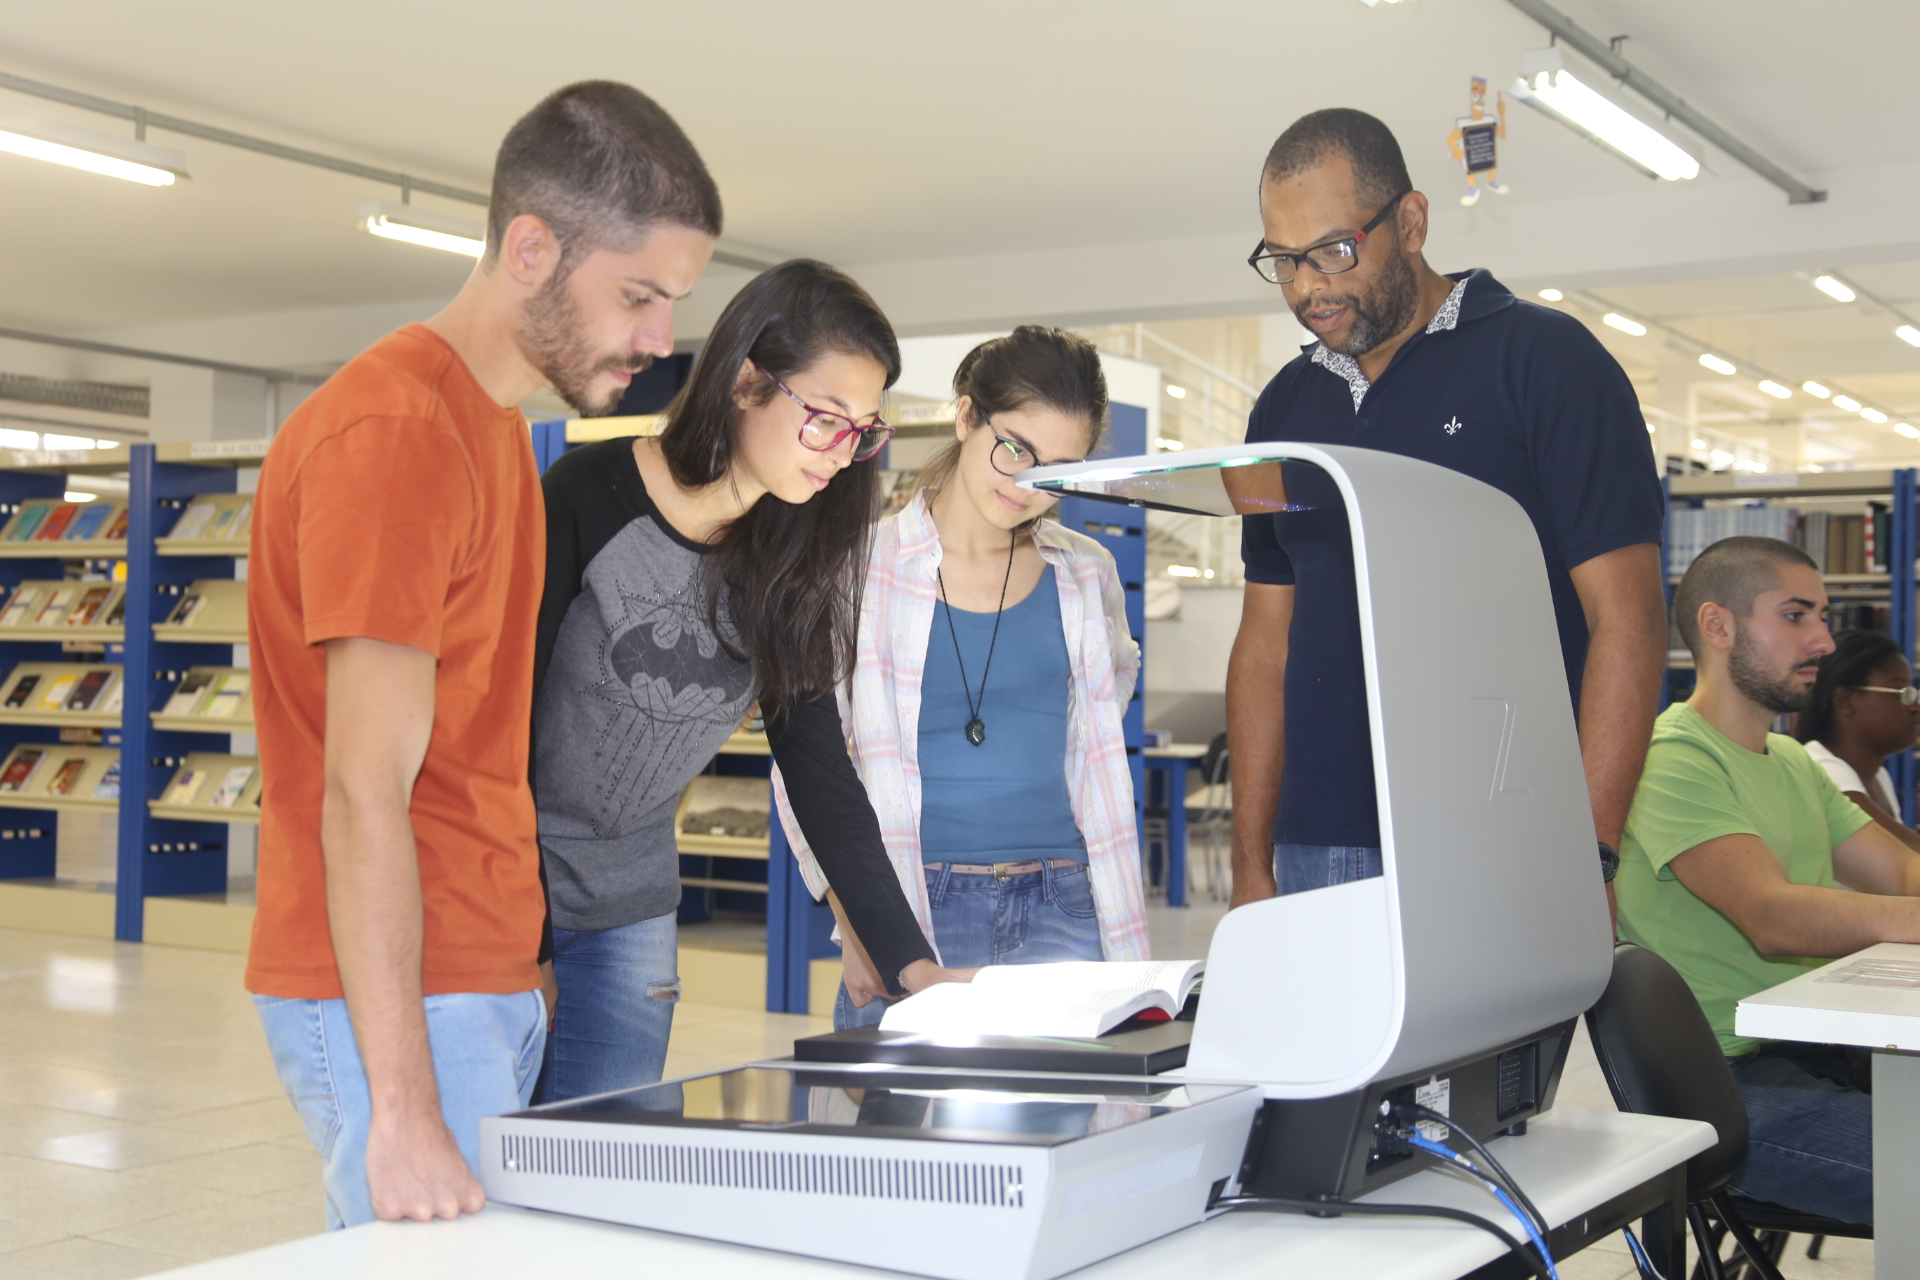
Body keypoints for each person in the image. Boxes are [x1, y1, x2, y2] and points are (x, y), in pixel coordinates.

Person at [244, 81, 721, 1229]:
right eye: (639, 296)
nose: (660, 341)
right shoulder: (395, 437)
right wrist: (405, 1108)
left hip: (474, 969)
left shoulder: (496, 435)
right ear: (530, 246)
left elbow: (476, 750)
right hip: (407, 990)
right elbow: (367, 791)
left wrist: (520, 958)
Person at [531, 258, 971, 1101]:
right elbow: (501, 716)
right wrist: (527, 940)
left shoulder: (794, 558)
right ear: (746, 382)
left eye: (865, 429)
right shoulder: (591, 494)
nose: (845, 454)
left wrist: (910, 964)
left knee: (604, 1159)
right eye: (825, 420)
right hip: (508, 886)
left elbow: (818, 768)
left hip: (629, 905)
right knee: (493, 1167)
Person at [1225, 108, 1668, 907]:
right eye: (1284, 260)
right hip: (1319, 846)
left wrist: (1591, 848)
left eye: (1334, 250)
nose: (1309, 288)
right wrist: (1252, 861)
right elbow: (1266, 642)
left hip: (1505, 835)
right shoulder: (1282, 411)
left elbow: (1629, 620)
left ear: (1413, 221)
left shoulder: (1548, 364)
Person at [776, 327, 1152, 1030]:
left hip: (1064, 904)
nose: (1024, 483)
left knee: (1071, 1128)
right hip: (911, 902)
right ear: (966, 416)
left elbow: (1094, 726)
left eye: (1055, 468)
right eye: (1013, 447)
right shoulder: (857, 569)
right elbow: (805, 769)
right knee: (904, 1131)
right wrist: (854, 920)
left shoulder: (1086, 573)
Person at [1616, 536, 1920, 1227]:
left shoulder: (1788, 758)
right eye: (1794, 616)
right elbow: (1772, 917)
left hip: (1824, 1051)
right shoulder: (1672, 760)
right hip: (1725, 1085)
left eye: (1822, 615)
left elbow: (1900, 870)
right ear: (1718, 627)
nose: (1821, 639)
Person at [1797, 628, 1920, 851]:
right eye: (1900, 692)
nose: (1914, 706)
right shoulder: (1823, 772)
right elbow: (1907, 858)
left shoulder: (1878, 776)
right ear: (1845, 701)